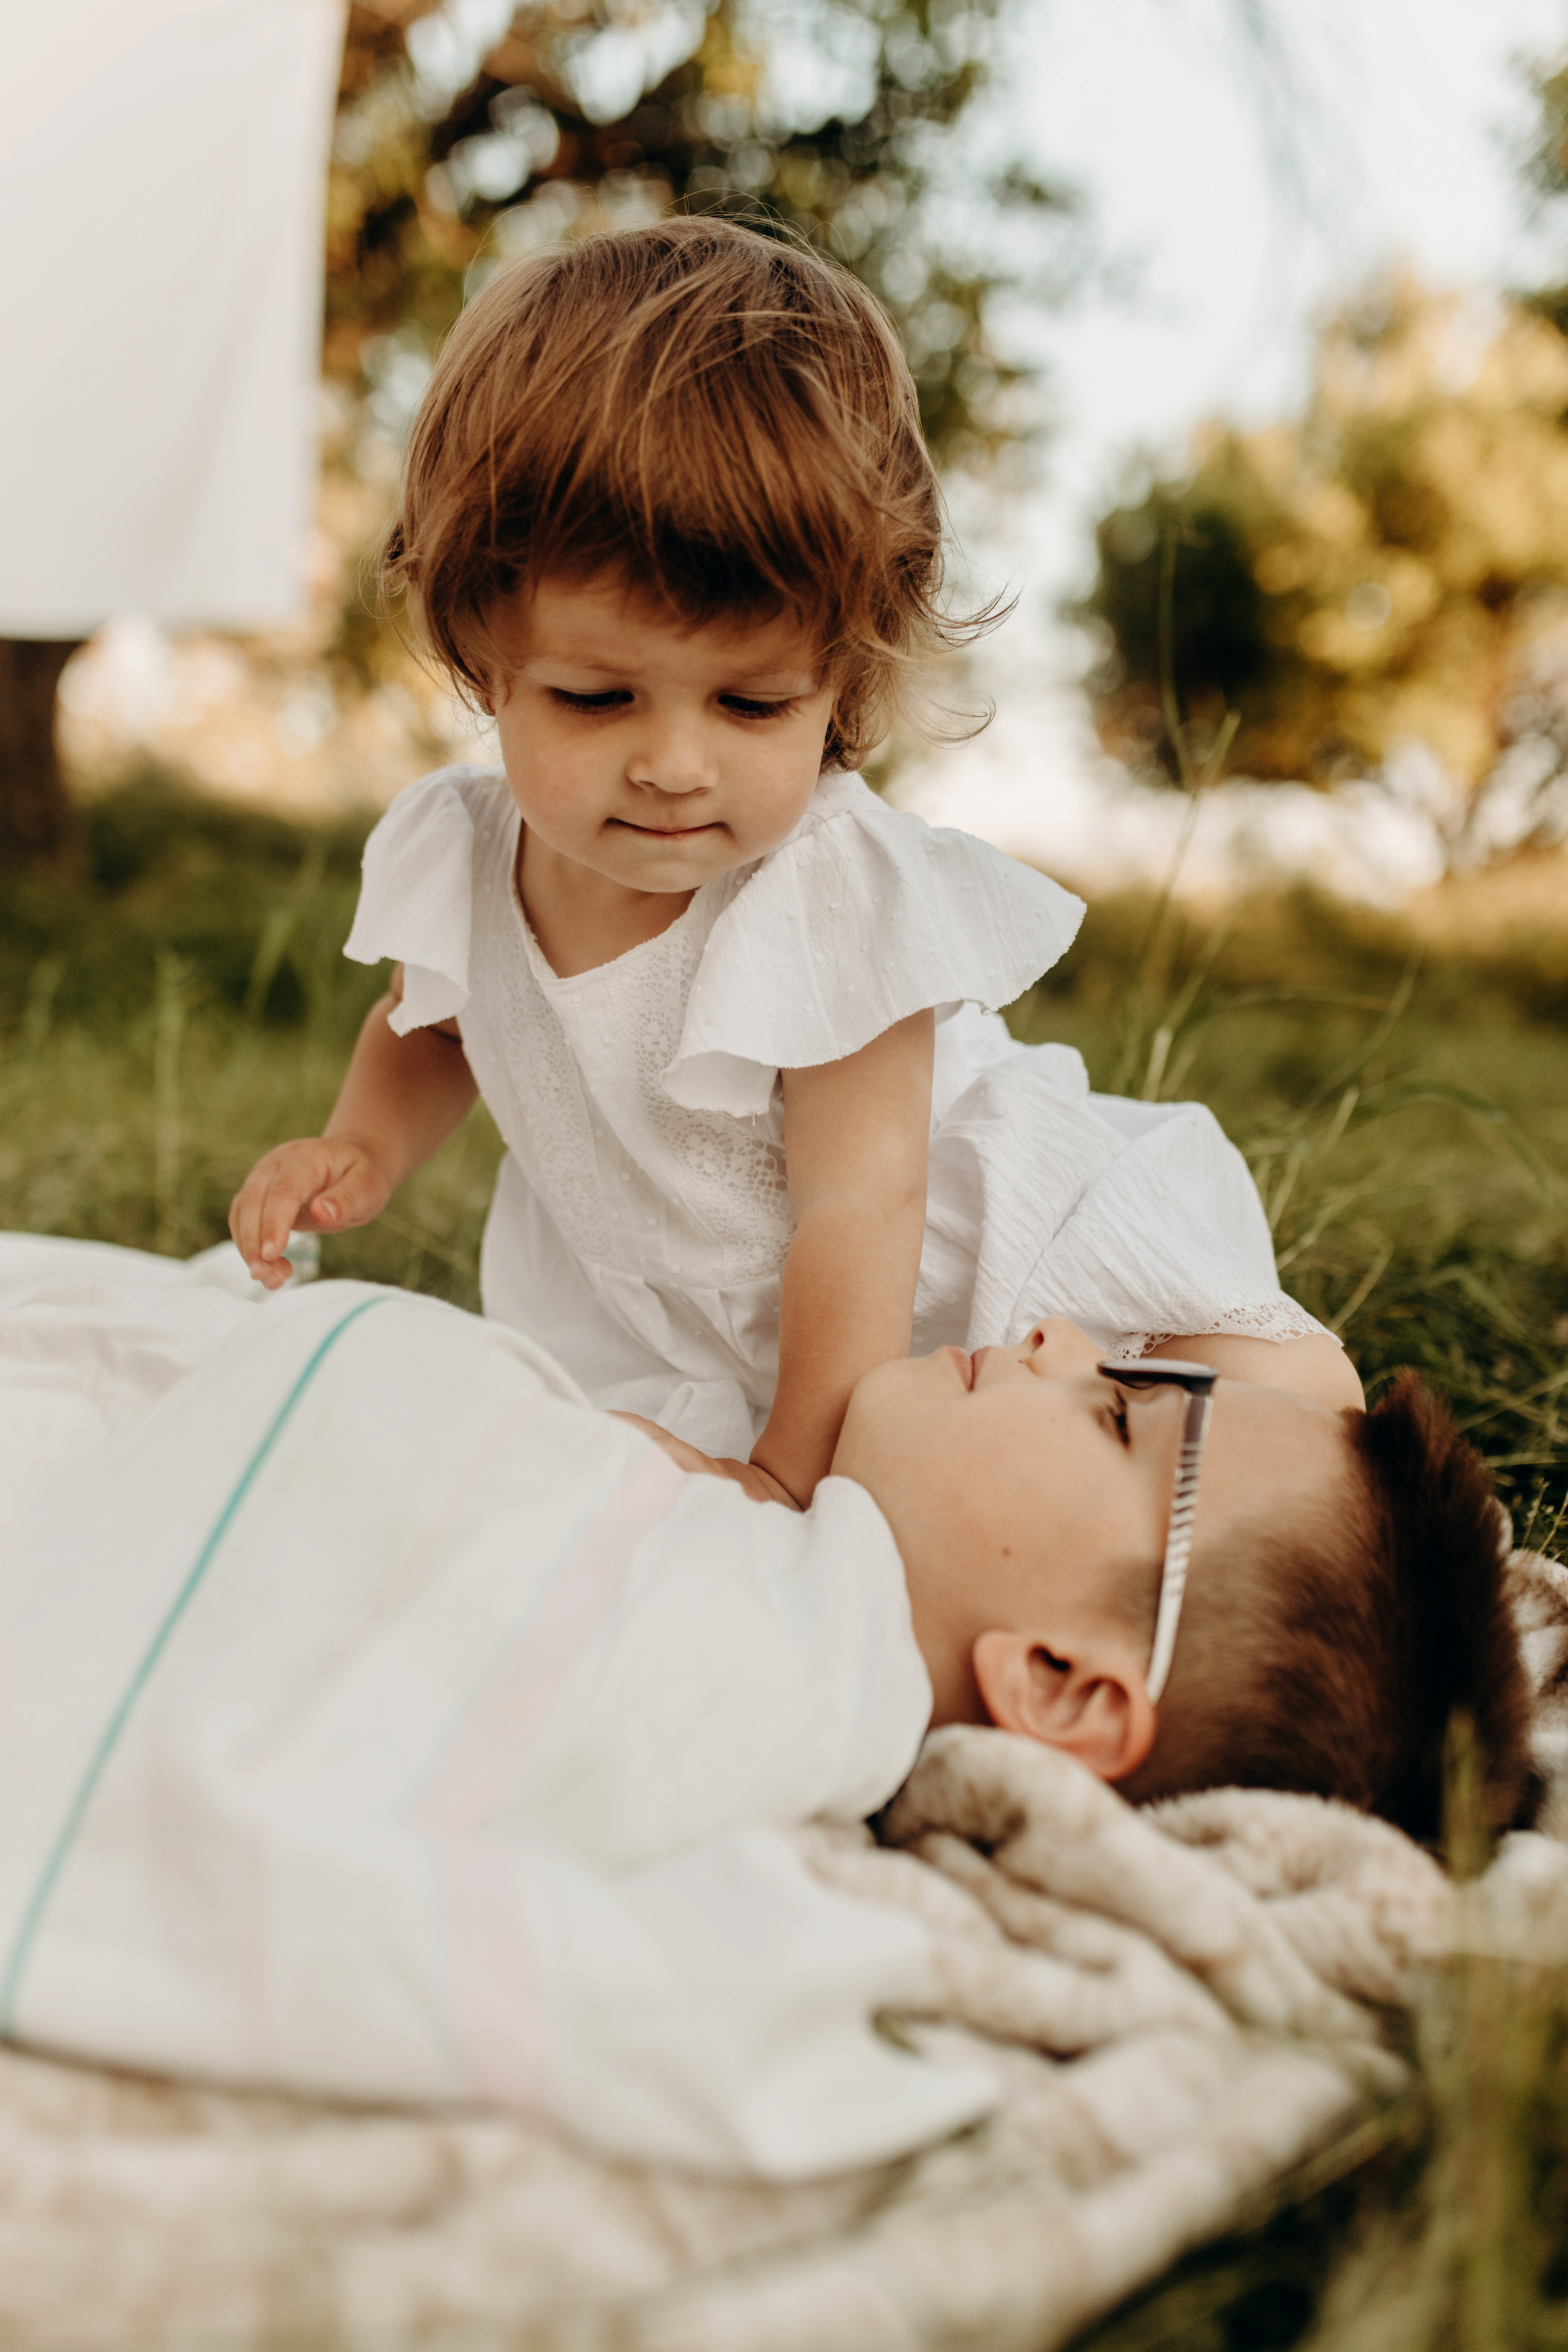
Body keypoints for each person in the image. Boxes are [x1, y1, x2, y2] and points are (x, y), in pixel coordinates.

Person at [228, 217, 1351, 1509]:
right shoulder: (465, 851)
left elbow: (858, 1216)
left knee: (1288, 1414)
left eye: (751, 707)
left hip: (972, 1274)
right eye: (597, 698)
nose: (672, 764)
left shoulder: (822, 896)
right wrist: (361, 1148)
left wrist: (790, 1478)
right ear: (483, 650)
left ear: (841, 679)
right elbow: (435, 1023)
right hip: (694, 1330)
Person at [0, 1246, 1530, 2177]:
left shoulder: (763, 1679)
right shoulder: (747, 1541)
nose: (1058, 1339)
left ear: (1060, 1684)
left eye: (1121, 1412)